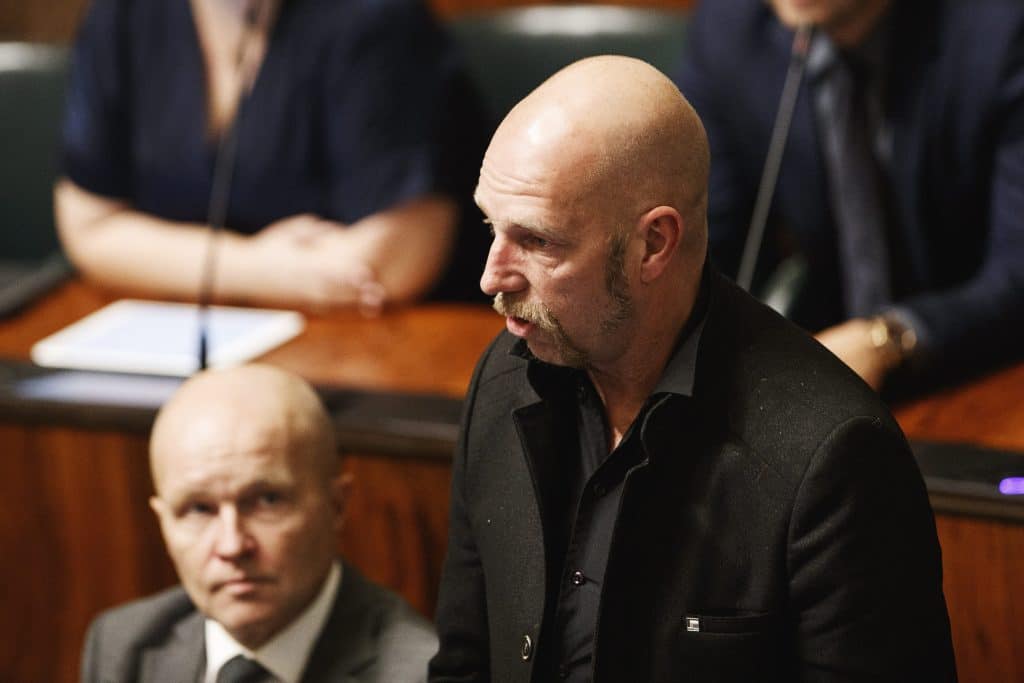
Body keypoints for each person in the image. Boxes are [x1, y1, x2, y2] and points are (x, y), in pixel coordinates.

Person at [428, 56, 955, 682]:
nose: (491, 277)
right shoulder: (503, 378)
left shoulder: (834, 458)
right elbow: (464, 664)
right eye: (491, 226)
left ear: (654, 244)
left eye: (538, 241)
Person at [676, 0, 1024, 392]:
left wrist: (888, 339)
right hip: (826, 374)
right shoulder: (728, 30)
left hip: (987, 371)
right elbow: (704, 247)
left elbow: (1017, 273)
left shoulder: (1004, 29)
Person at [56, 0, 489, 311]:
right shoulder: (123, 14)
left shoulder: (376, 19)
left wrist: (161, 256)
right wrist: (261, 268)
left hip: (376, 341)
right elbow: (90, 228)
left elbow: (392, 264)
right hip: (181, 329)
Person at [80, 364, 437, 682]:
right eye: (199, 509)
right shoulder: (123, 647)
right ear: (162, 521)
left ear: (336, 505)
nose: (232, 545)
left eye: (267, 501)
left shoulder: (417, 674)